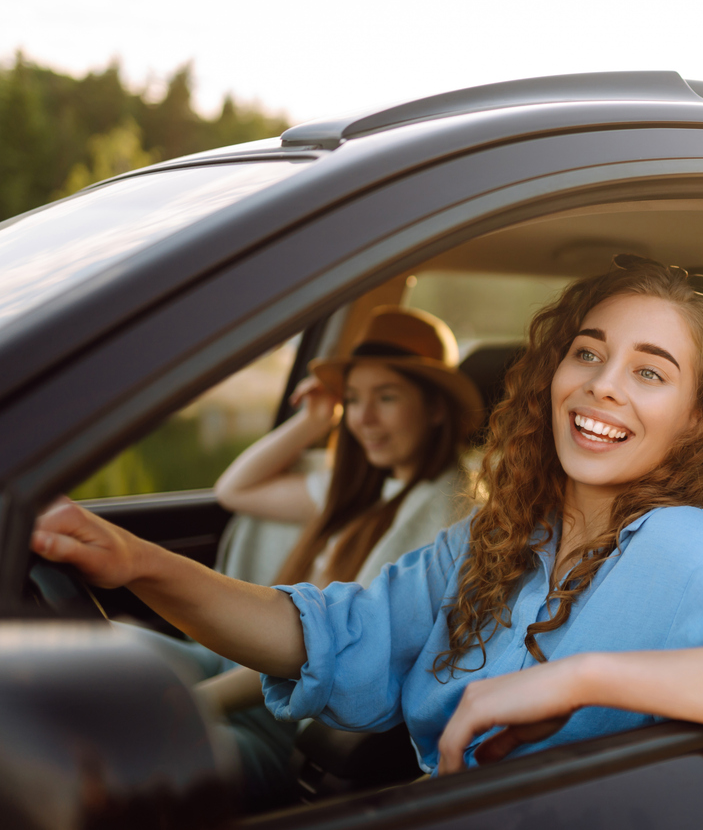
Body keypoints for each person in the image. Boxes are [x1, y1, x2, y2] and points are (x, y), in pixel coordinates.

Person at [30, 255, 703, 783]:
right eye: (588, 353)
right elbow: (331, 636)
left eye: (650, 372)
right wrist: (138, 564)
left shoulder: (686, 547)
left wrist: (581, 679)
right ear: (551, 379)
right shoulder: (505, 538)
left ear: (698, 421)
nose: (604, 383)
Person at [167, 305, 483, 806]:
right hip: (250, 674)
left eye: (386, 397)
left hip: (292, 721)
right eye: (353, 399)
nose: (364, 418)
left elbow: (334, 642)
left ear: (436, 408)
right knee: (107, 656)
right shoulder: (363, 489)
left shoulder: (440, 510)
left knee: (143, 744)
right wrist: (315, 420)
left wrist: (189, 707)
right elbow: (235, 489)